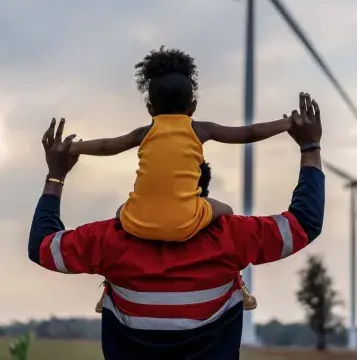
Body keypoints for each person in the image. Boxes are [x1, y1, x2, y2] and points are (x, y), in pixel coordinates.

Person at [29, 93, 324, 360]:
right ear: (202, 192)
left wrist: (56, 176)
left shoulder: (109, 241)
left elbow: (43, 246)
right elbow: (303, 223)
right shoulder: (232, 237)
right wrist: (310, 147)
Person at [68, 47, 298, 310]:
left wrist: (74, 148)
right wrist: (286, 124)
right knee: (226, 211)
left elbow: (108, 145)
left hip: (137, 222)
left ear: (149, 108)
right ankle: (238, 284)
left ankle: (109, 289)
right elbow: (247, 133)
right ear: (193, 106)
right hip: (186, 222)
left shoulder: (145, 131)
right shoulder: (199, 129)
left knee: (120, 211)